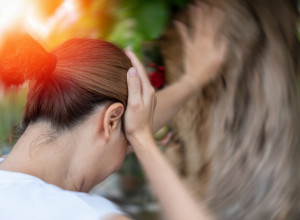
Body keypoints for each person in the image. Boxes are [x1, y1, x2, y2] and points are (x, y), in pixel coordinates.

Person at [0, 4, 226, 220]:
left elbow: (121, 126)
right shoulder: (78, 213)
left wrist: (191, 81)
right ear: (110, 121)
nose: (131, 143)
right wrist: (142, 139)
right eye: (128, 141)